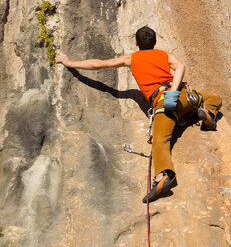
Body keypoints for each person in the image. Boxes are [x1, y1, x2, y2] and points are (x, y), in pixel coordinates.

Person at [56, 26, 222, 203]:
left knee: (160, 141)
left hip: (163, 104)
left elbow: (100, 64)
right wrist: (174, 91)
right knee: (214, 98)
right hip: (183, 97)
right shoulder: (163, 55)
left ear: (136, 43)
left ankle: (163, 176)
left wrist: (70, 63)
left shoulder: (132, 59)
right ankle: (208, 112)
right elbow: (180, 66)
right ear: (155, 42)